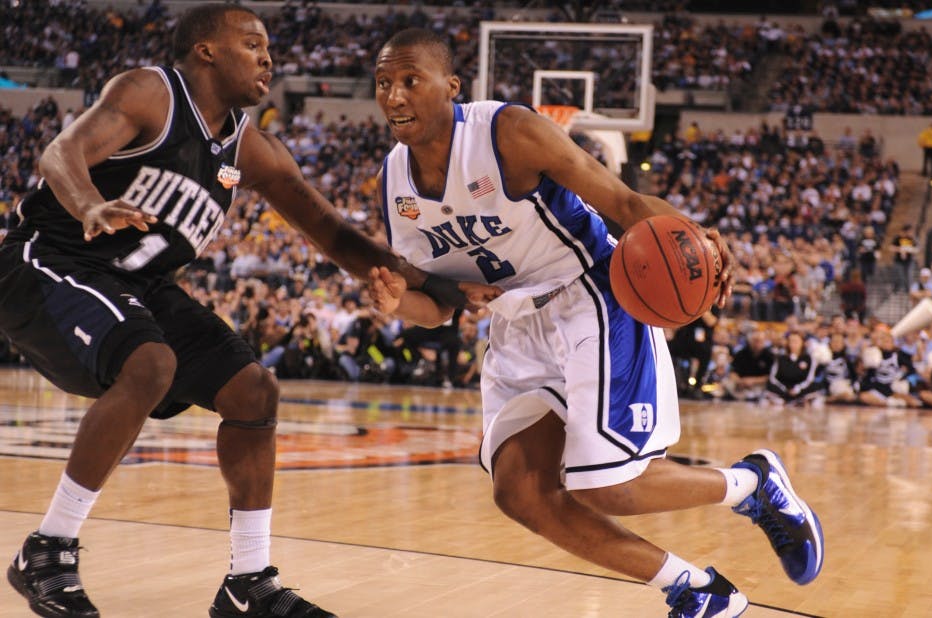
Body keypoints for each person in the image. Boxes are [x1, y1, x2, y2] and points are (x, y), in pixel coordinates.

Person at [0, 7, 495, 618]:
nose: (268, 57)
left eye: (269, 46)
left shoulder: (252, 149)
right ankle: (48, 550)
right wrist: (89, 206)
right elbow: (60, 152)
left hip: (139, 284)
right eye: (252, 43)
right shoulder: (151, 93)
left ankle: (249, 582)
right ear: (206, 52)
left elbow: (335, 235)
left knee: (253, 390)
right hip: (48, 261)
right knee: (152, 363)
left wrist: (439, 280)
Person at [365, 28, 824, 618]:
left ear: (451, 87)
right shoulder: (393, 183)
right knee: (520, 492)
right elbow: (442, 305)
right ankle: (695, 587)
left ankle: (753, 485)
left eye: (410, 80)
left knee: (605, 485)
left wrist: (699, 240)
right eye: (384, 84)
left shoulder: (508, 132)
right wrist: (395, 302)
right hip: (513, 326)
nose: (395, 96)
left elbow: (626, 204)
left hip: (590, 296)